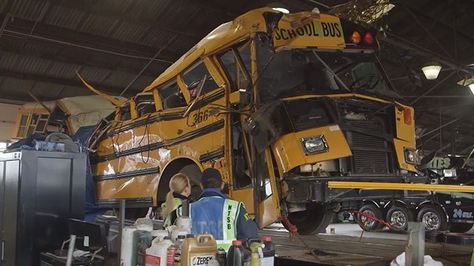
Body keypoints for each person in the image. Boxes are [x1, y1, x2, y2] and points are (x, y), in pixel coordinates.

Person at [189, 168, 259, 250]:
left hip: (193, 260)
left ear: (201, 186)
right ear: (222, 185)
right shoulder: (235, 207)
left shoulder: (187, 209)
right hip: (228, 260)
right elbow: (250, 236)